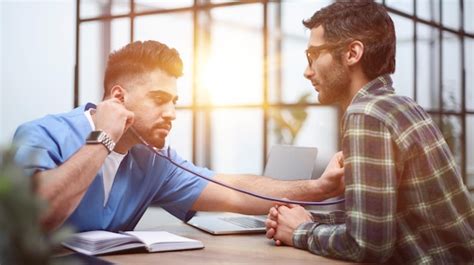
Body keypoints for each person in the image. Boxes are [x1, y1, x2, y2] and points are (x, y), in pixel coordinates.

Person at [12, 40, 345, 233]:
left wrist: (318, 188)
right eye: (159, 100)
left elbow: (234, 191)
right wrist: (103, 138)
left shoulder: (153, 159)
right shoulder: (42, 134)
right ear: (118, 98)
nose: (172, 113)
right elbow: (38, 213)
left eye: (175, 102)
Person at [265, 1, 474, 264]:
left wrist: (300, 231)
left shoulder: (366, 114)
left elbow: (367, 246)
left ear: (352, 53)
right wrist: (309, 219)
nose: (307, 71)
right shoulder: (400, 105)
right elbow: (382, 224)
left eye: (313, 56)